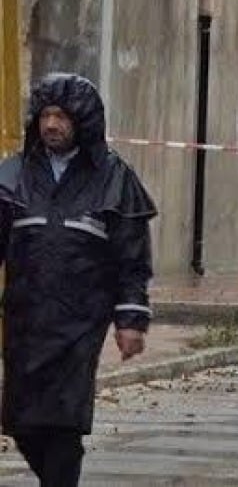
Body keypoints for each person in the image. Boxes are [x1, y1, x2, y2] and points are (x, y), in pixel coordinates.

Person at [0, 73, 156, 486]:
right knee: (22, 422)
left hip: (80, 321)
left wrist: (131, 320)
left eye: (62, 117)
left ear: (82, 121)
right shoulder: (13, 176)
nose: (51, 125)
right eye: (46, 115)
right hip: (24, 319)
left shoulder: (113, 178)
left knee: (63, 420)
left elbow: (132, 257)